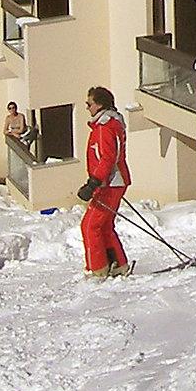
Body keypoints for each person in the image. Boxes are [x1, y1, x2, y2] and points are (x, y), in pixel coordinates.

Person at [78, 85, 132, 277]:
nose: (87, 107)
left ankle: (98, 269)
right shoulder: (110, 124)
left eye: (89, 103)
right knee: (104, 225)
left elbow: (107, 158)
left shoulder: (105, 126)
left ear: (100, 104)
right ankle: (117, 263)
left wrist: (93, 182)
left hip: (109, 183)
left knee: (90, 226)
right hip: (113, 182)